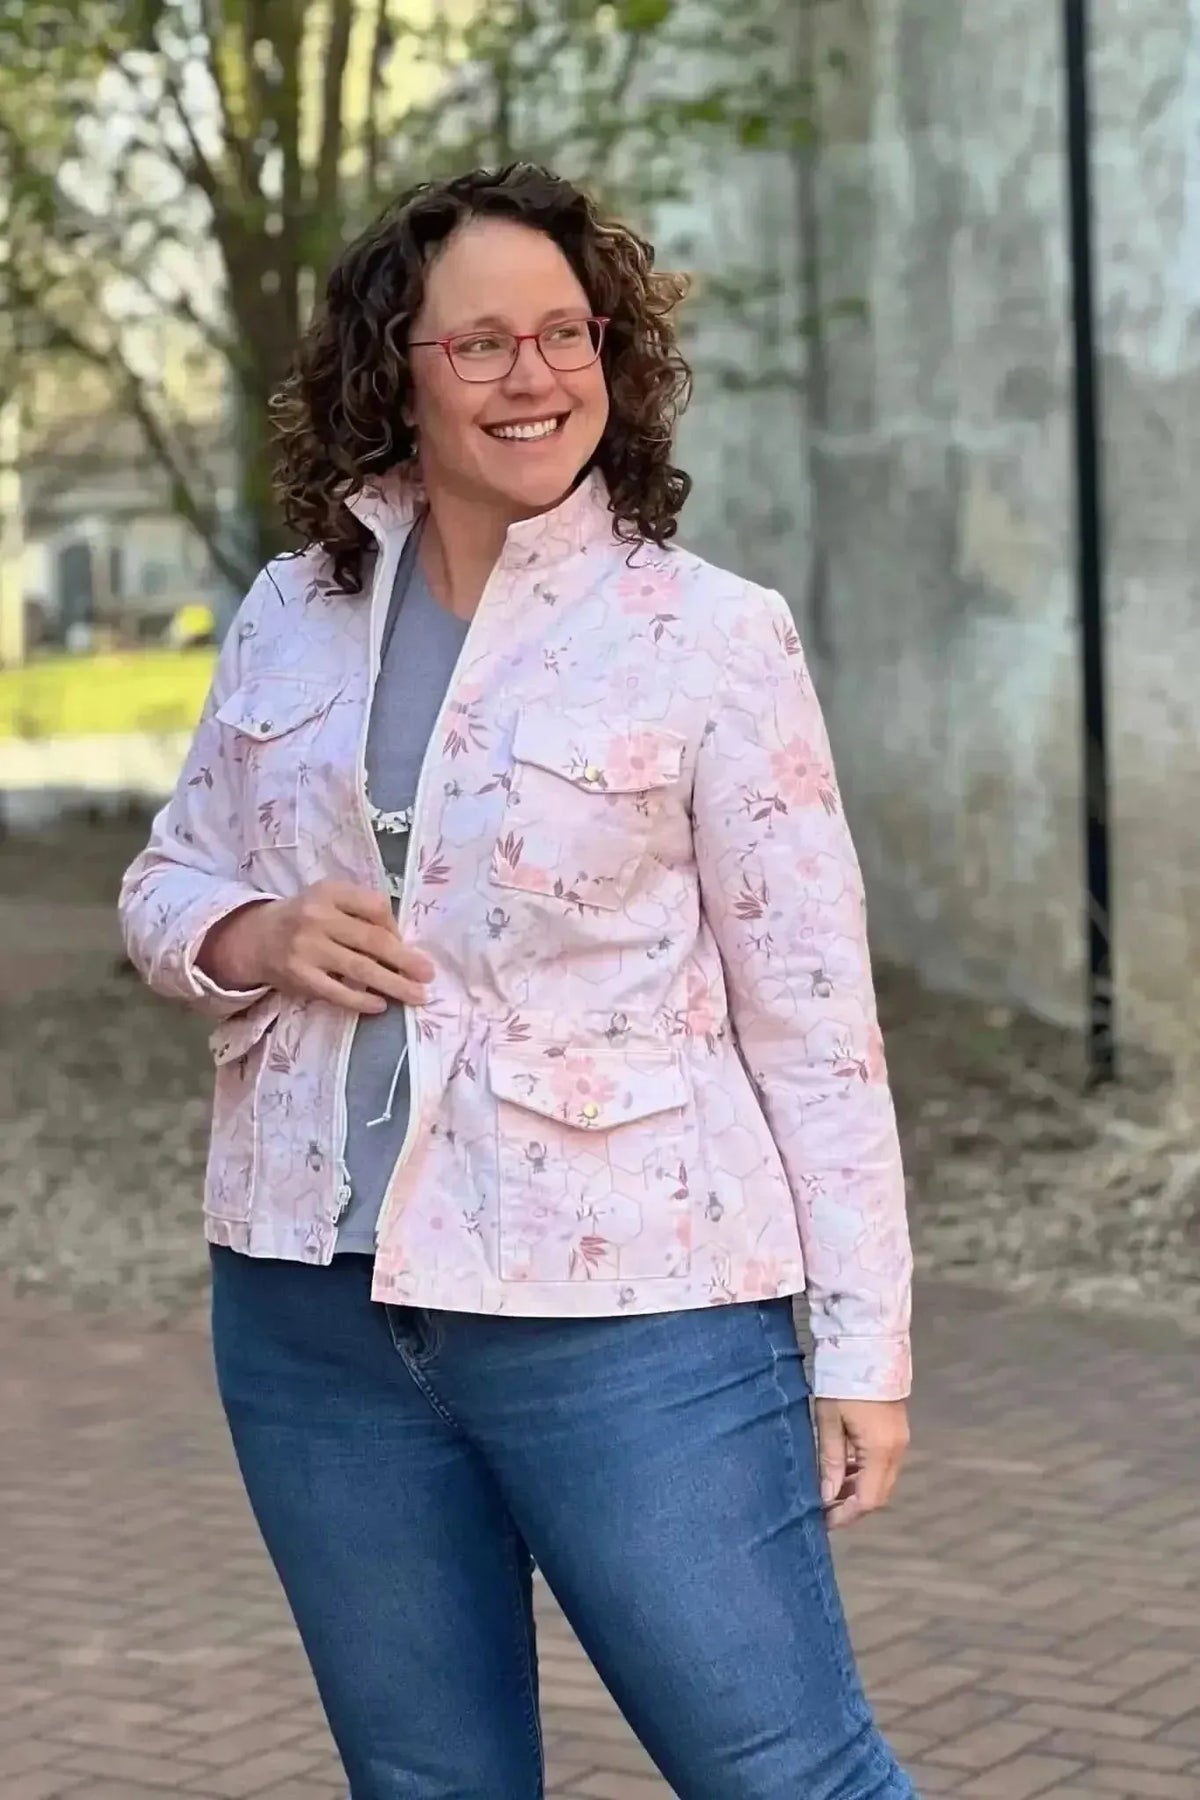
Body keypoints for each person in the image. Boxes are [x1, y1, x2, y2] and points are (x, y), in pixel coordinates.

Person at [120, 162, 917, 1800]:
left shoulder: (711, 637)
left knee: (785, 1774)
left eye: (569, 334)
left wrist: (862, 1346)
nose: (535, 376)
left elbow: (818, 1019)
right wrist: (250, 937)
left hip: (632, 1312)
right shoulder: (291, 611)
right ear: (393, 369)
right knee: (427, 1784)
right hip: (308, 1310)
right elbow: (165, 878)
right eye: (480, 343)